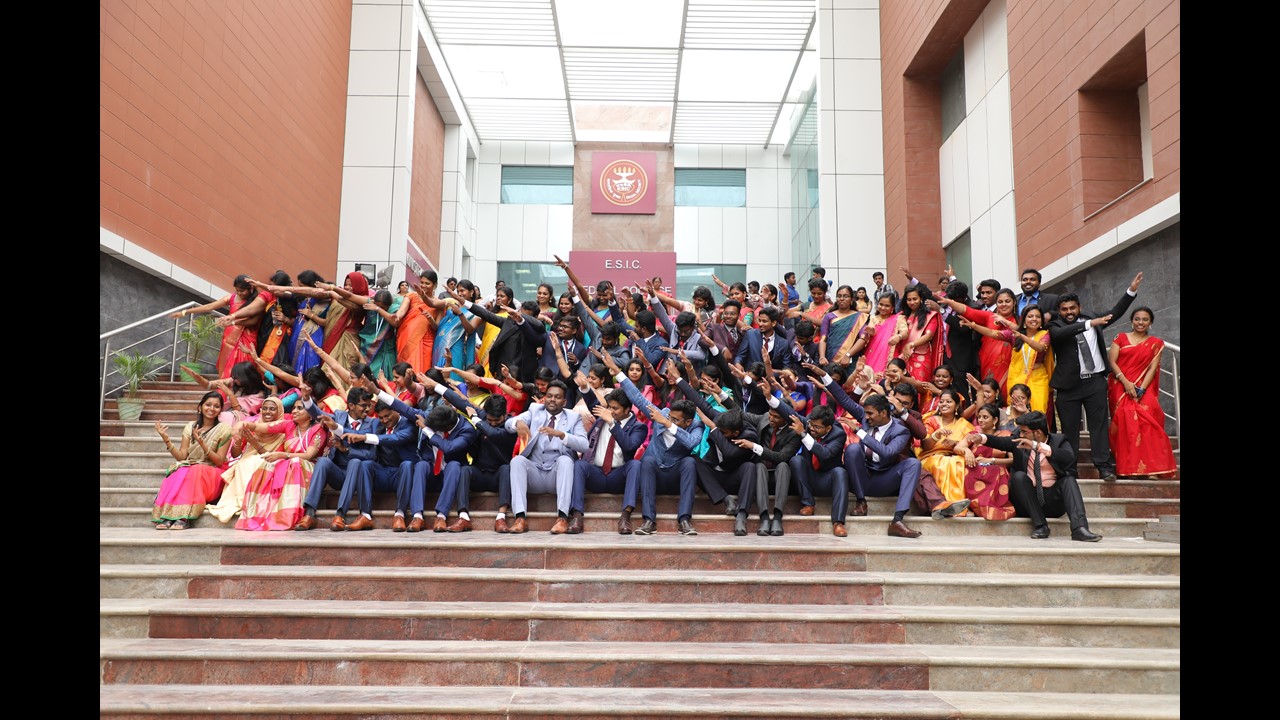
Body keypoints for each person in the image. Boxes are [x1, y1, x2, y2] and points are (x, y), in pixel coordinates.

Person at [1047, 272, 1143, 480]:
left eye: (1072, 308)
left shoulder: (1092, 318)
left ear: (1079, 307)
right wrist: (1089, 324)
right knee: (1070, 430)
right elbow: (1061, 335)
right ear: (1059, 311)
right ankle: (1070, 470)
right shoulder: (1055, 326)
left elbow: (1115, 313)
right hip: (1068, 387)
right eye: (1065, 309)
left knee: (1099, 426)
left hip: (1095, 383)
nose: (1069, 312)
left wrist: (1131, 291)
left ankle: (1104, 467)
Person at [958, 411, 1101, 541]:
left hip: (1053, 501)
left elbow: (1068, 457)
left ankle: (1079, 529)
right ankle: (1041, 526)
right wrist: (981, 437)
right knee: (1018, 477)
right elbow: (1001, 442)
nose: (1020, 435)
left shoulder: (1059, 440)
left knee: (1068, 480)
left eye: (1024, 432)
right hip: (1028, 502)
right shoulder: (1018, 441)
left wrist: (1037, 447)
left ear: (1037, 433)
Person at [811, 374, 924, 538]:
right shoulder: (867, 419)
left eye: (870, 414)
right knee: (853, 449)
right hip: (861, 478)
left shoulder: (901, 430)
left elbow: (887, 452)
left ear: (883, 413)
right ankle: (861, 502)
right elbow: (844, 400)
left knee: (913, 463)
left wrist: (860, 432)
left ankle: (897, 520)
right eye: (865, 413)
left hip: (884, 480)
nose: (866, 417)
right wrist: (824, 376)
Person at [506, 380, 589, 534]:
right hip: (535, 473)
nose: (552, 399)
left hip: (557, 477)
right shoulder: (534, 410)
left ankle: (562, 518)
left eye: (557, 397)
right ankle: (520, 518)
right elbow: (508, 423)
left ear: (564, 401)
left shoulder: (573, 417)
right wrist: (518, 423)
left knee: (565, 461)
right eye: (549, 396)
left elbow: (584, 445)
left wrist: (562, 435)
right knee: (517, 461)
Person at [291, 387, 379, 531]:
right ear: (351, 405)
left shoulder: (373, 423)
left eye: (369, 405)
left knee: (355, 462)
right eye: (364, 405)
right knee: (323, 461)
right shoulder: (339, 416)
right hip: (338, 473)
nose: (368, 409)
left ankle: (340, 515)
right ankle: (309, 514)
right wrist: (306, 399)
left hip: (359, 476)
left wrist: (346, 450)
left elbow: (372, 455)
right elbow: (317, 414)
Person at [236, 399, 330, 531]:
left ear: (310, 414)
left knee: (295, 463)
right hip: (289, 466)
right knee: (266, 465)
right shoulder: (289, 425)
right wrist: (242, 424)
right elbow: (257, 427)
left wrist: (282, 455)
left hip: (309, 468)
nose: (294, 411)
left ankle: (287, 515)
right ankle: (260, 512)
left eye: (299, 408)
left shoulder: (319, 430)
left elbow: (308, 456)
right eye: (294, 408)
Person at [1106, 307, 1177, 478]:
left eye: (1145, 319)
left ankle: (1152, 467)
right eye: (1137, 319)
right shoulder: (1120, 338)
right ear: (1132, 321)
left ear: (1150, 322)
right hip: (1120, 386)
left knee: (1151, 418)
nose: (1140, 322)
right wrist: (1126, 383)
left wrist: (1141, 390)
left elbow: (1152, 368)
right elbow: (1112, 361)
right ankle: (1129, 466)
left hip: (1143, 388)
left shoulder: (1156, 343)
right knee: (1126, 420)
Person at [570, 380, 649, 534]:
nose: (610, 411)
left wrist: (613, 423)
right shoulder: (603, 417)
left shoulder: (638, 427)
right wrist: (585, 387)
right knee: (579, 465)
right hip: (596, 474)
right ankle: (577, 516)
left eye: (615, 408)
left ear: (627, 409)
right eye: (609, 407)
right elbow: (592, 403)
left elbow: (629, 445)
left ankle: (625, 516)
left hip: (618, 477)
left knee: (635, 465)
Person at [151, 391, 233, 529]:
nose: (212, 408)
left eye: (216, 406)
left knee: (195, 470)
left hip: (213, 472)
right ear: (200, 407)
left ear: (220, 410)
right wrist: (166, 439)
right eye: (208, 405)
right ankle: (168, 516)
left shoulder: (224, 429)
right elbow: (182, 456)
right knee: (179, 470)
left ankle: (183, 518)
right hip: (191, 468)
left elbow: (219, 461)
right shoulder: (190, 427)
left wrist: (202, 443)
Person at [205, 395, 286, 524]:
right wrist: (238, 442)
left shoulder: (284, 430)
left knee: (255, 462)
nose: (267, 412)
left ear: (280, 411)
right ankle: (242, 501)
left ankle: (249, 502)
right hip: (246, 461)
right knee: (245, 463)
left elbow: (273, 457)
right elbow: (235, 454)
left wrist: (255, 444)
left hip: (271, 464)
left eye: (272, 409)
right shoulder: (252, 426)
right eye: (265, 408)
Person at [171, 275, 266, 378]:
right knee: (225, 367)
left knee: (243, 369)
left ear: (251, 288)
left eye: (242, 291)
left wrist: (233, 322)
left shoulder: (258, 301)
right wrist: (185, 312)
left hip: (246, 339)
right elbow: (209, 307)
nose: (239, 293)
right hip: (229, 337)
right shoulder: (232, 297)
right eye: (237, 290)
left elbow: (253, 321)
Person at [781, 404, 850, 537]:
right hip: (810, 478)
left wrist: (803, 434)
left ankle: (838, 522)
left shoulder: (839, 434)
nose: (812, 428)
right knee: (796, 460)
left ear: (828, 428)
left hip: (827, 481)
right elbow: (790, 414)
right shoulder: (809, 424)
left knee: (840, 472)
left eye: (816, 427)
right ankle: (808, 504)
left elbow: (824, 454)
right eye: (810, 424)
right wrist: (769, 398)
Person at [938, 288, 1018, 397]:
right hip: (987, 363)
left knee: (1006, 393)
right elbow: (967, 311)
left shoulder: (1019, 321)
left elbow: (1020, 331)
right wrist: (949, 302)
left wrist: (1004, 321)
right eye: (1000, 302)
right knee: (988, 395)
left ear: (1014, 302)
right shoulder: (989, 317)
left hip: (1009, 366)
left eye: (1007, 301)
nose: (1003, 304)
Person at [917, 389, 975, 518]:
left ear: (957, 405)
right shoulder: (931, 421)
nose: (944, 404)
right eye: (941, 401)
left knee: (958, 462)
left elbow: (971, 443)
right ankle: (946, 505)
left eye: (948, 402)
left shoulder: (965, 425)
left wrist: (957, 445)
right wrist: (936, 435)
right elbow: (924, 446)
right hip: (931, 457)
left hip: (956, 456)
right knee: (942, 463)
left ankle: (959, 507)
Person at [960, 403, 1016, 521]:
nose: (980, 420)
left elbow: (1013, 460)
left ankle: (985, 508)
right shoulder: (974, 435)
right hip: (974, 470)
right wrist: (967, 451)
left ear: (995, 420)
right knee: (963, 469)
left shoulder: (1005, 436)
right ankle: (971, 507)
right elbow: (958, 447)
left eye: (985, 417)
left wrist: (992, 461)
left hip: (996, 471)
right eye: (979, 417)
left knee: (996, 471)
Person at [894, 285, 944, 406]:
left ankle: (921, 412)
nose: (912, 302)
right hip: (903, 357)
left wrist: (911, 345)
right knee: (901, 386)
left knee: (920, 387)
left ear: (921, 299)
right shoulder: (902, 316)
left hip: (921, 357)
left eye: (915, 299)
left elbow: (929, 336)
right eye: (909, 299)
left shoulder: (929, 315)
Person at [1002, 305, 1054, 413]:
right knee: (1017, 410)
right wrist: (973, 325)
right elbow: (993, 333)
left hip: (1038, 377)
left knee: (1039, 410)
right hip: (1018, 376)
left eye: (1038, 316)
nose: (1034, 319)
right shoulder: (1016, 336)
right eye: (1030, 316)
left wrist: (1022, 337)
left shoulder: (1044, 334)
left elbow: (1040, 348)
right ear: (1024, 320)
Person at [820, 285, 869, 366]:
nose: (842, 299)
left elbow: (863, 339)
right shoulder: (829, 316)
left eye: (846, 296)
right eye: (839, 296)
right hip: (830, 359)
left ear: (852, 299)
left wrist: (848, 355)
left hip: (851, 360)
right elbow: (823, 339)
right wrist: (822, 357)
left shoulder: (860, 317)